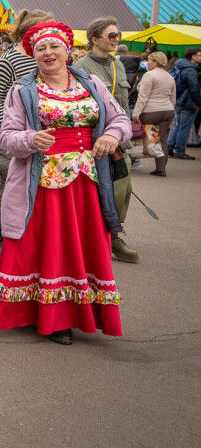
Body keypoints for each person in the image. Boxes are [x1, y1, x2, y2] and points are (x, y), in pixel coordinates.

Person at [0, 21, 128, 345]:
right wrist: (31, 138)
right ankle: (53, 318)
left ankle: (81, 311)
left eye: (54, 47)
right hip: (42, 186)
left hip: (87, 185)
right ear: (32, 55)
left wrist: (109, 134)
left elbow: (120, 117)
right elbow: (6, 137)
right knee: (49, 247)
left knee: (82, 245)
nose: (48, 53)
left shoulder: (92, 83)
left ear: (67, 50)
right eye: (41, 48)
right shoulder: (23, 91)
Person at [74, 16, 137, 263]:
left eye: (118, 35)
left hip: (120, 139)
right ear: (95, 39)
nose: (116, 39)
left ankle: (114, 233)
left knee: (123, 188)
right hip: (95, 141)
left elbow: (122, 104)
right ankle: (99, 239)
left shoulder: (117, 64)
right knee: (96, 192)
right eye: (111, 35)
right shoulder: (81, 66)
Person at [0, 9, 48, 253]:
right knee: (9, 185)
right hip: (12, 137)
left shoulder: (46, 58)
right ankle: (4, 234)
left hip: (41, 136)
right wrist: (7, 133)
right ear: (29, 33)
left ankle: (32, 233)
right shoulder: (8, 61)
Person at [133, 51, 175, 176]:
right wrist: (170, 109)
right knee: (162, 140)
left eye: (149, 61)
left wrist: (136, 113)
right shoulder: (169, 76)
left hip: (151, 111)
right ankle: (161, 169)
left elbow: (143, 97)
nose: (147, 64)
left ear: (155, 62)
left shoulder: (149, 75)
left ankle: (133, 161)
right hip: (167, 110)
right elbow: (173, 98)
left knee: (150, 139)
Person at [168, 48, 201, 159]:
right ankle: (180, 151)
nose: (200, 57)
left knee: (178, 126)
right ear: (193, 57)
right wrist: (199, 102)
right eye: (199, 55)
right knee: (184, 127)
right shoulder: (191, 70)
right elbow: (194, 89)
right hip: (188, 102)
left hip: (178, 100)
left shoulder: (179, 66)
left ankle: (169, 146)